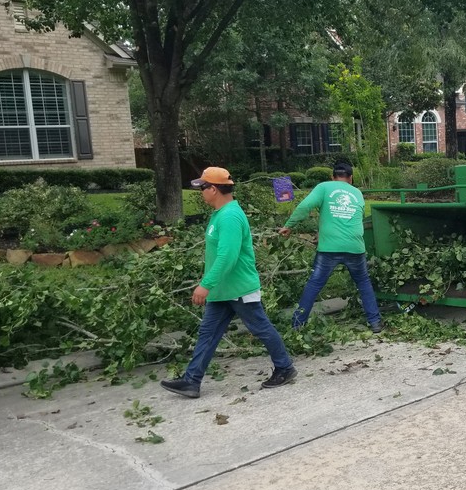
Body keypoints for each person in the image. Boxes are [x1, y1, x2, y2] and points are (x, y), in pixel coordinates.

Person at [161, 167, 296, 398]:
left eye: (203, 187)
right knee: (208, 333)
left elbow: (227, 257)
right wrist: (211, 285)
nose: (201, 192)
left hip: (238, 288)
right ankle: (191, 381)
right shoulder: (221, 214)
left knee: (261, 328)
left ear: (214, 189)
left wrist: (206, 284)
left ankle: (285, 367)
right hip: (222, 290)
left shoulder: (230, 216)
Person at [279, 162, 383, 333]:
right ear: (350, 178)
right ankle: (375, 322)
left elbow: (305, 206)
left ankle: (297, 325)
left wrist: (289, 225)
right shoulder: (357, 193)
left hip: (329, 248)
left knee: (314, 284)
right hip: (355, 246)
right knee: (363, 282)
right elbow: (359, 217)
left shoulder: (324, 187)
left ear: (332, 177)